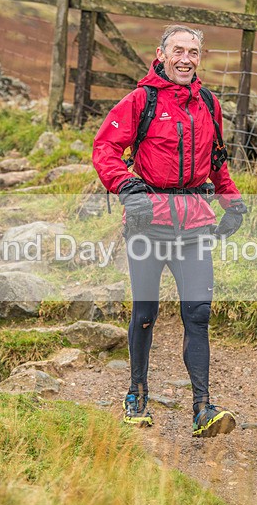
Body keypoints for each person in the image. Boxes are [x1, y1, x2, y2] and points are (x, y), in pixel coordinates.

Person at [92, 24, 247, 438]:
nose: (185, 58)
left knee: (198, 314)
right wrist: (126, 185)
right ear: (160, 55)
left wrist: (232, 203)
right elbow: (104, 148)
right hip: (148, 223)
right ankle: (136, 396)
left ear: (200, 57)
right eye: (177, 50)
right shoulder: (140, 101)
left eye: (193, 51)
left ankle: (203, 409)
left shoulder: (209, 104)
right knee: (146, 314)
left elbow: (216, 161)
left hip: (195, 223)